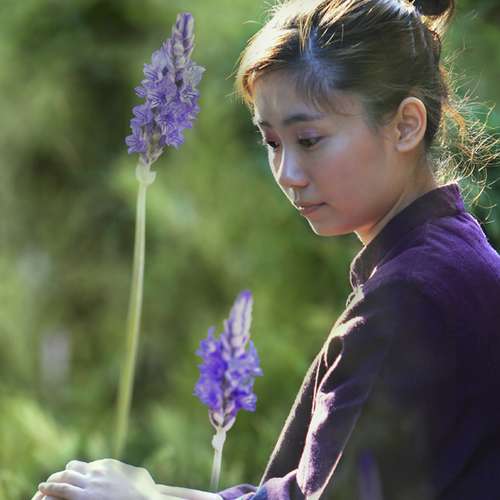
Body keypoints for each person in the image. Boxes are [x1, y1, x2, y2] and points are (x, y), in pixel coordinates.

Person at [33, 0, 500, 498]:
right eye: (273, 142)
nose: (287, 174)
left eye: (310, 140)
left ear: (406, 125)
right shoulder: (448, 256)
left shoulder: (410, 298)